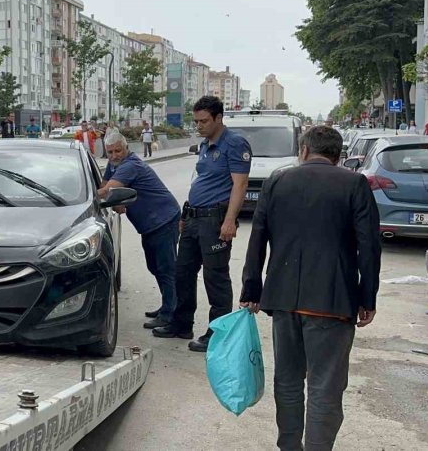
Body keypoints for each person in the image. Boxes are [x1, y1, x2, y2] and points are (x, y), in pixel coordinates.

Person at [240, 125, 380, 450]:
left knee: (287, 381)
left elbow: (258, 235)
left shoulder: (278, 180)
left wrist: (252, 288)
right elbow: (369, 246)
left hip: (284, 300)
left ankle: (289, 446)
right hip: (332, 302)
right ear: (338, 155)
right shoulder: (354, 183)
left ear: (303, 151)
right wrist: (366, 297)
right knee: (325, 388)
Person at [152, 95, 251, 352]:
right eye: (196, 121)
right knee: (182, 273)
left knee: (215, 278)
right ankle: (181, 324)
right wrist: (186, 216)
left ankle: (217, 334)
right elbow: (200, 182)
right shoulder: (206, 145)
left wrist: (230, 221)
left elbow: (240, 185)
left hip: (215, 221)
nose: (199, 126)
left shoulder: (234, 143)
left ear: (219, 118)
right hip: (195, 218)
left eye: (204, 121)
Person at [99, 131, 181, 329]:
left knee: (166, 268)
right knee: (155, 267)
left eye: (118, 150)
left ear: (126, 148)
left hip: (163, 220)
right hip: (150, 224)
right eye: (110, 152)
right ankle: (166, 306)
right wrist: (115, 200)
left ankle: (172, 314)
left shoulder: (130, 165)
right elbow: (106, 185)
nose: (114, 155)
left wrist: (82, 196)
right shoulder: (114, 164)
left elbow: (106, 191)